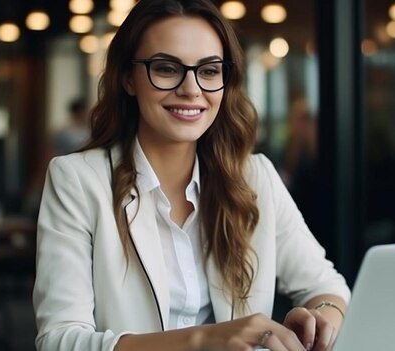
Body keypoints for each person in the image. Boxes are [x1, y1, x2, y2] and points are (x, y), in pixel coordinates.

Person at [32, 1, 350, 350]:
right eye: (167, 68)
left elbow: (328, 288)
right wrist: (203, 340)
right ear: (127, 78)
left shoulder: (254, 177)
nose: (192, 89)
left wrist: (320, 319)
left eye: (210, 71)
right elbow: (60, 341)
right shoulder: (77, 180)